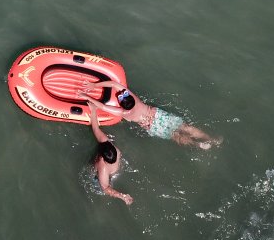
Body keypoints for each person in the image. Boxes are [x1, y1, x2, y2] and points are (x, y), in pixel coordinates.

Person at [81, 81, 223, 150]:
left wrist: (87, 95)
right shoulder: (133, 98)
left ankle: (198, 144)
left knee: (177, 136)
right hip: (159, 116)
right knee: (186, 127)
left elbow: (104, 106)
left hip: (153, 126)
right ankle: (210, 139)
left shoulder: (126, 113)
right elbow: (113, 84)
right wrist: (95, 86)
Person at [87, 103, 133, 205]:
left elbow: (106, 188)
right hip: (112, 167)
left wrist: (122, 196)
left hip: (105, 177)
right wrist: (93, 110)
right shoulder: (114, 149)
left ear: (102, 157)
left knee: (93, 178)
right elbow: (96, 129)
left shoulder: (102, 167)